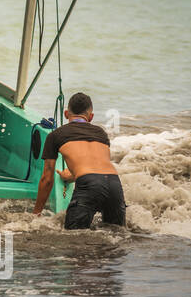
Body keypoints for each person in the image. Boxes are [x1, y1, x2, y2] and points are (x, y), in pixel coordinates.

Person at [34, 92, 126, 229]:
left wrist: (36, 214)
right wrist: (71, 176)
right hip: (114, 184)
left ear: (66, 114)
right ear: (91, 117)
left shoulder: (55, 135)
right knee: (116, 236)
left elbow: (47, 179)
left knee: (75, 239)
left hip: (88, 185)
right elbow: (96, 166)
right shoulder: (101, 133)